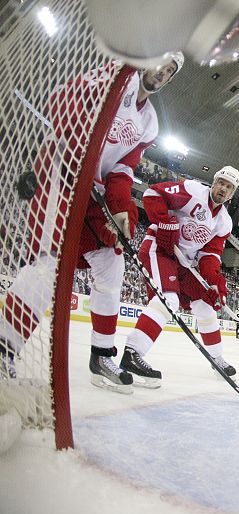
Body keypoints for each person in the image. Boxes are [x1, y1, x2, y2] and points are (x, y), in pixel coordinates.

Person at [0, 54, 184, 390]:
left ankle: (101, 356)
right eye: (161, 63)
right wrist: (75, 146)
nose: (163, 72)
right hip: (61, 177)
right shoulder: (114, 79)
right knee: (49, 266)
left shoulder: (149, 122)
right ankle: (3, 348)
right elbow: (58, 103)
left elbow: (122, 170)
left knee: (112, 266)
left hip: (95, 190)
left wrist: (121, 211)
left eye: (170, 72)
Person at [120, 166, 239, 387]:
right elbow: (152, 194)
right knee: (169, 299)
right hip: (161, 248)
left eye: (229, 187)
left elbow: (210, 254)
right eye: (221, 182)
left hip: (186, 262)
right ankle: (132, 353)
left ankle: (216, 359)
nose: (223, 188)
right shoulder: (193, 191)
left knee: (206, 306)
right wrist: (165, 222)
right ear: (213, 183)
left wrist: (213, 283)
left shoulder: (224, 222)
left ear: (232, 194)